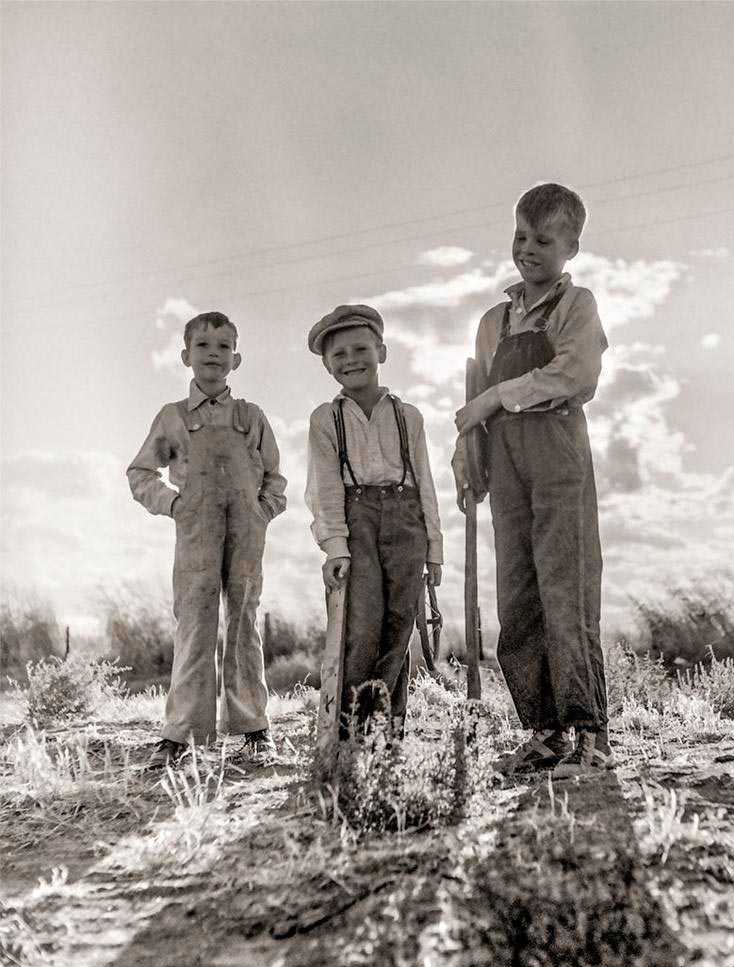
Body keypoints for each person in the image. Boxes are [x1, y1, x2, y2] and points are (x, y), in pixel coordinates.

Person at [453, 183, 612, 776]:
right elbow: (473, 406)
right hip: (505, 458)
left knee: (565, 586)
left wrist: (497, 396)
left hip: (557, 448)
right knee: (517, 593)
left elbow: (573, 372)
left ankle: (591, 734)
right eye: (521, 235)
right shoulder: (492, 321)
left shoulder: (577, 306)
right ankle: (543, 732)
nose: (528, 249)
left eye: (544, 240)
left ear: (570, 246)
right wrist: (468, 454)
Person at [128, 311, 287, 766]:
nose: (213, 354)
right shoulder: (172, 417)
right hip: (195, 529)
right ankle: (181, 734)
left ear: (235, 359)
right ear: (185, 356)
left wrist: (262, 512)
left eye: (223, 346)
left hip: (245, 529)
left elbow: (276, 479)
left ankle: (254, 727)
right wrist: (173, 505)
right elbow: (140, 473)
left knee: (243, 622)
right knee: (194, 625)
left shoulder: (251, 416)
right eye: (203, 346)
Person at [305, 304, 443, 739]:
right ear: (328, 367)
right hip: (356, 521)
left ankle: (387, 729)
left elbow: (425, 483)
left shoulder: (408, 416)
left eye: (361, 348)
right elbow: (324, 488)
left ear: (381, 352)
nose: (351, 360)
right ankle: (348, 728)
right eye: (339, 354)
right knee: (360, 631)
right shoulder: (326, 419)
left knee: (400, 629)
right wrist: (335, 547)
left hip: (407, 524)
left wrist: (434, 549)